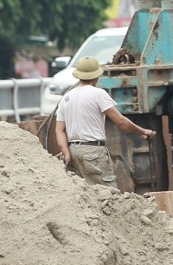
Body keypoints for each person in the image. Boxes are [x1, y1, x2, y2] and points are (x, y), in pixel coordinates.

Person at [54, 56, 156, 188]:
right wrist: (143, 131)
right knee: (108, 194)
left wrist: (67, 153)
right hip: (92, 152)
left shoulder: (66, 97)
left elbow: (59, 130)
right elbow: (120, 121)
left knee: (86, 194)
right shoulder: (98, 94)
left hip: (73, 152)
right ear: (96, 76)